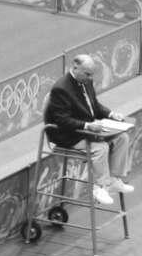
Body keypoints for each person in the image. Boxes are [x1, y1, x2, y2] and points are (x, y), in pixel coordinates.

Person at [43, 54, 133, 206]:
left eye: (91, 74)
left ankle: (114, 180)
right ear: (75, 67)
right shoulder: (61, 89)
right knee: (100, 148)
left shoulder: (86, 81)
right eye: (87, 73)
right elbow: (62, 120)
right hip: (67, 134)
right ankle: (100, 187)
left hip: (86, 130)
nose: (90, 77)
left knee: (122, 138)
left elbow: (95, 106)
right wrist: (87, 126)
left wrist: (111, 114)